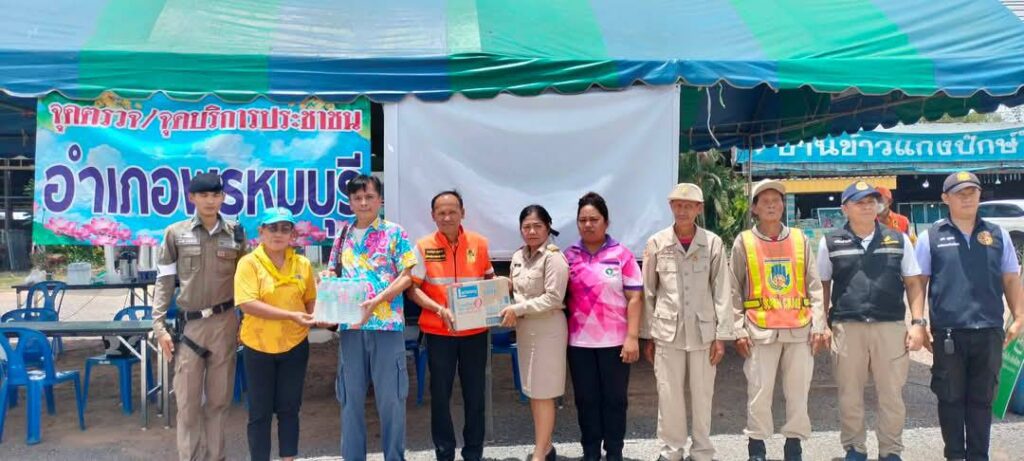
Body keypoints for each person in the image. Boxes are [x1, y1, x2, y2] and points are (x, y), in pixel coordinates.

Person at [914, 171, 1024, 461]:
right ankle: (954, 455)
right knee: (950, 398)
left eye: (972, 192)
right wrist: (918, 322)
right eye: (959, 193)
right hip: (949, 333)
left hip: (989, 331)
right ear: (945, 198)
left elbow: (1011, 278)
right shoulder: (930, 237)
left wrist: (1019, 315)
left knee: (982, 400)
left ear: (979, 195)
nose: (967, 198)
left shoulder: (997, 235)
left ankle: (978, 456)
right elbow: (918, 283)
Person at [818, 181, 926, 461]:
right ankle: (855, 448)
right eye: (859, 202)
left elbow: (913, 283)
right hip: (847, 327)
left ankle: (890, 450)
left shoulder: (898, 239)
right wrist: (821, 324)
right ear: (845, 208)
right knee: (849, 394)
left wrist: (918, 323)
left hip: (889, 327)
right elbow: (822, 285)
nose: (867, 206)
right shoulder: (830, 242)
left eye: (871, 201)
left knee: (891, 395)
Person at [152, 172, 247, 461]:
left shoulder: (235, 234)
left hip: (224, 323)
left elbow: (246, 281)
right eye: (203, 195)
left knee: (218, 401)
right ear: (192, 198)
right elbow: (164, 281)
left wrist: (245, 321)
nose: (210, 201)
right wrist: (159, 326)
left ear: (223, 198)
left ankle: (216, 457)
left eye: (215, 195)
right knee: (188, 404)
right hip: (190, 327)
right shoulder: (175, 233)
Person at [731, 179, 827, 461]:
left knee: (798, 391)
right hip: (760, 329)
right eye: (765, 201)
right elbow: (733, 289)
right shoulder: (744, 241)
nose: (771, 205)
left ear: (783, 206)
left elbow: (814, 286)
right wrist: (738, 329)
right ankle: (757, 445)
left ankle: (794, 444)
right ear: (754, 208)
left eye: (776, 200)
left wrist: (819, 324)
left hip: (799, 328)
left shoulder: (799, 239)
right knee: (759, 391)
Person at [324, 174, 418, 461]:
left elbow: (407, 276)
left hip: (386, 326)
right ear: (350, 202)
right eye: (357, 198)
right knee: (350, 399)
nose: (363, 202)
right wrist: (327, 277)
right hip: (351, 326)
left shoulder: (395, 233)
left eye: (369, 197)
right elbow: (334, 271)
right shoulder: (342, 234)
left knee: (391, 400)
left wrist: (377, 301)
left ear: (381, 200)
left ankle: (394, 457)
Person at [640, 183, 732, 461]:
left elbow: (722, 291)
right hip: (667, 332)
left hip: (704, 333)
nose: (682, 210)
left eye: (689, 206)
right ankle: (671, 450)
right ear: (671, 207)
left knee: (703, 395)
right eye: (678, 205)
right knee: (669, 395)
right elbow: (648, 291)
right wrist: (648, 335)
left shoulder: (712, 243)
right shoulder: (657, 243)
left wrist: (721, 336)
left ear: (699, 209)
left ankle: (702, 451)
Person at [406, 190, 495, 461]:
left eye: (452, 211)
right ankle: (444, 453)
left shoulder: (479, 244)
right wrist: (438, 309)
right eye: (441, 213)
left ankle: (473, 453)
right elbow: (412, 289)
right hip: (438, 333)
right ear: (433, 216)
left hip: (475, 334)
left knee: (475, 396)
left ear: (462, 213)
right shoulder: (423, 246)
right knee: (440, 397)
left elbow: (490, 283)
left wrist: (501, 293)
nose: (447, 217)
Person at [564, 192, 642, 461]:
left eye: (594, 219)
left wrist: (632, 337)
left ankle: (614, 452)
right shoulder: (568, 256)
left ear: (606, 222)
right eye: (582, 220)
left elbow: (635, 298)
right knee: (585, 400)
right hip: (579, 343)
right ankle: (590, 451)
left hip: (615, 343)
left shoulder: (622, 254)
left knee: (615, 400)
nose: (588, 224)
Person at [234, 208, 317, 461]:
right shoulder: (248, 263)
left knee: (289, 409)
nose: (278, 234)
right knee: (259, 413)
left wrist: (325, 312)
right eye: (272, 228)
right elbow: (247, 304)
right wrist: (291, 315)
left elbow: (310, 301)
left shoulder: (303, 264)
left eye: (285, 228)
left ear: (293, 234)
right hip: (258, 346)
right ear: (261, 232)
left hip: (295, 345)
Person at [498, 204, 570, 461]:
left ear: (548, 228)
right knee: (533, 391)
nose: (531, 231)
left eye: (537, 226)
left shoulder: (554, 258)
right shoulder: (519, 256)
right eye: (526, 227)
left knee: (544, 392)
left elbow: (553, 298)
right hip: (525, 329)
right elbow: (519, 291)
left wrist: (517, 309)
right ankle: (546, 447)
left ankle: (540, 453)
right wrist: (503, 286)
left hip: (547, 329)